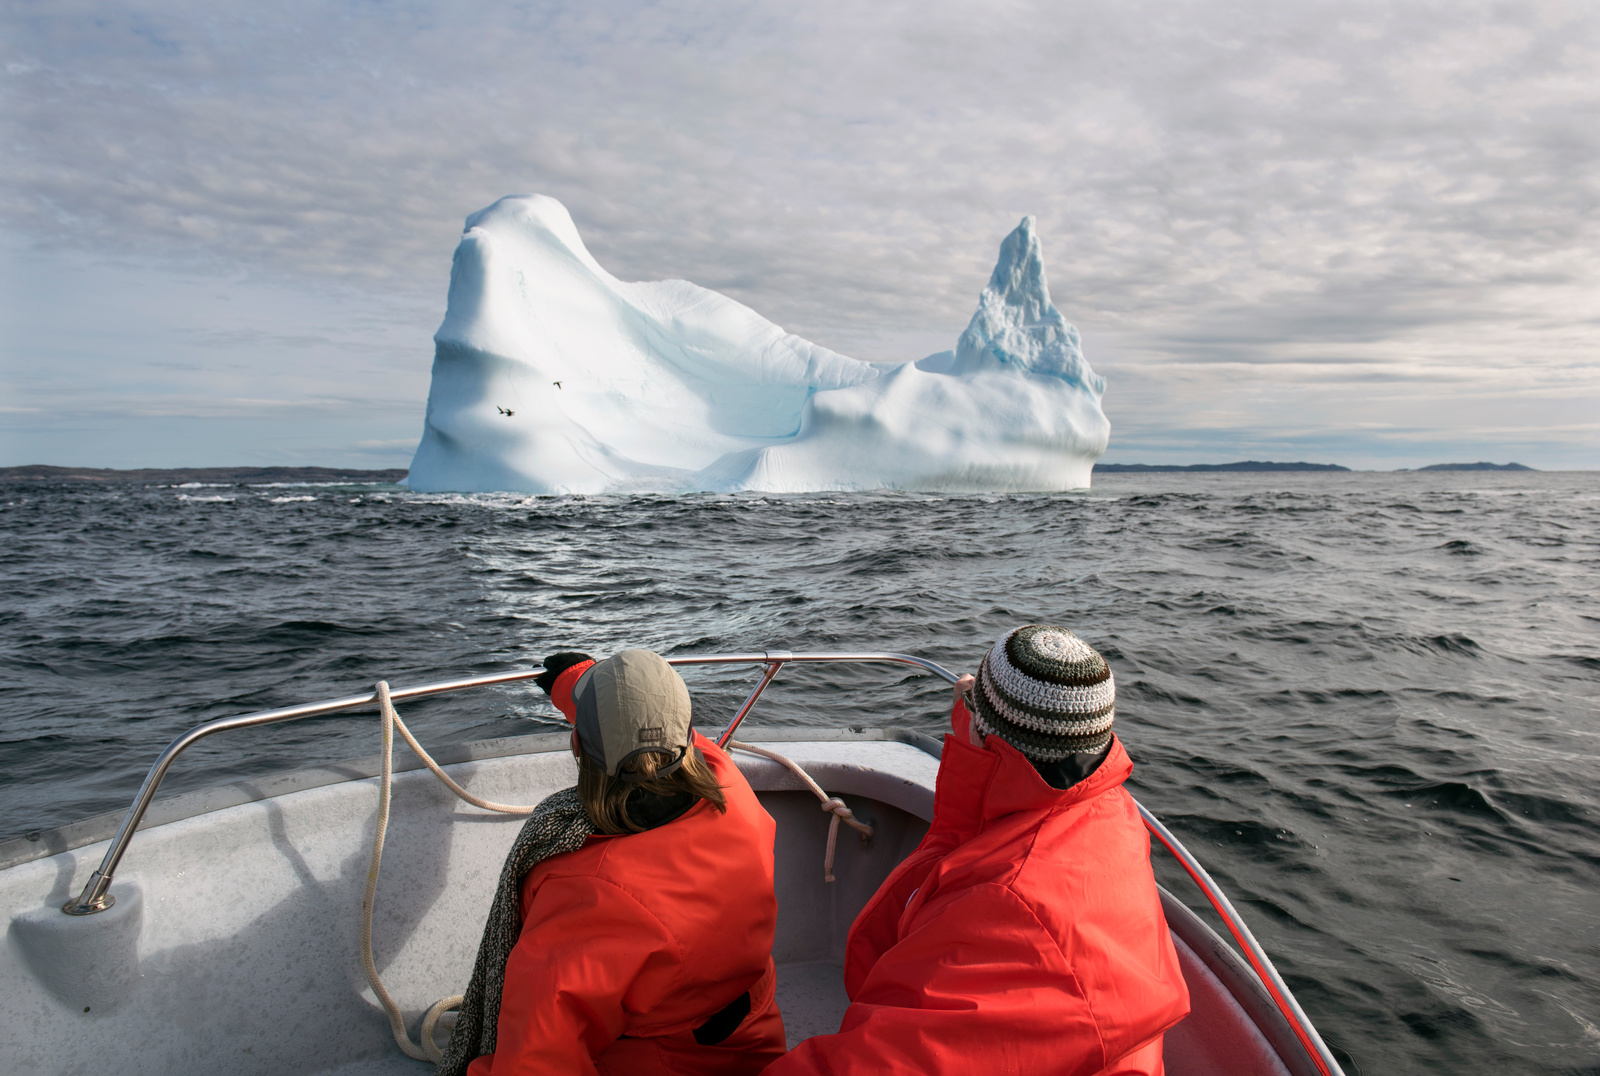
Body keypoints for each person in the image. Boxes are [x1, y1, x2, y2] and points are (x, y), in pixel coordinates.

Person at [765, 625, 1191, 1075]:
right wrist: (975, 715)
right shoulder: (1105, 807)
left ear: (988, 741)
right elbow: (990, 783)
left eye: (972, 710)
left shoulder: (1007, 904)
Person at [450, 648, 787, 1076]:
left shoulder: (590, 891)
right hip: (752, 1036)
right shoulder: (726, 779)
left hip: (664, 1063)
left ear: (577, 748)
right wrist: (575, 681)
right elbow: (643, 720)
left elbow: (537, 1061)